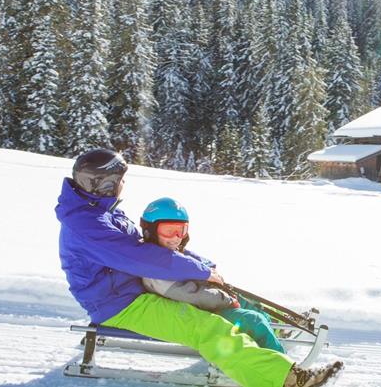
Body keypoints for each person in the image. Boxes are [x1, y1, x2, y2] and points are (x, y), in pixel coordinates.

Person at [55, 149, 343, 387]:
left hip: (131, 291)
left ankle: (269, 344)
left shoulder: (100, 211)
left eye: (113, 181)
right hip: (119, 304)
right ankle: (285, 380)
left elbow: (147, 250)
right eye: (109, 181)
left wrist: (199, 266)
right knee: (205, 327)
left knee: (215, 310)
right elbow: (142, 257)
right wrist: (200, 271)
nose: (113, 186)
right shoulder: (87, 223)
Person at [138, 197, 286, 353]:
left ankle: (273, 331)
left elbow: (195, 263)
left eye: (181, 230)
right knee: (252, 320)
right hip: (196, 314)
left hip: (205, 305)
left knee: (249, 302)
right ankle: (281, 366)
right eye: (169, 231)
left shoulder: (170, 253)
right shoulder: (152, 267)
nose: (176, 237)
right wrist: (225, 299)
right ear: (151, 231)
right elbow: (191, 295)